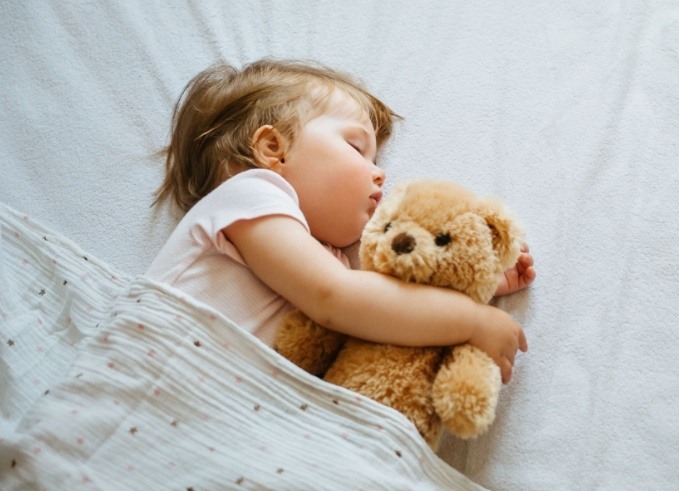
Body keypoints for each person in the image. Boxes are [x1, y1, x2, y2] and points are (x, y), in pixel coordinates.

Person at [147, 59, 535, 383]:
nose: (379, 174)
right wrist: (470, 320)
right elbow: (337, 298)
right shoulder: (250, 195)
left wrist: (464, 282)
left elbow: (380, 306)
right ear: (272, 149)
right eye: (356, 147)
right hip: (153, 379)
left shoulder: (331, 258)